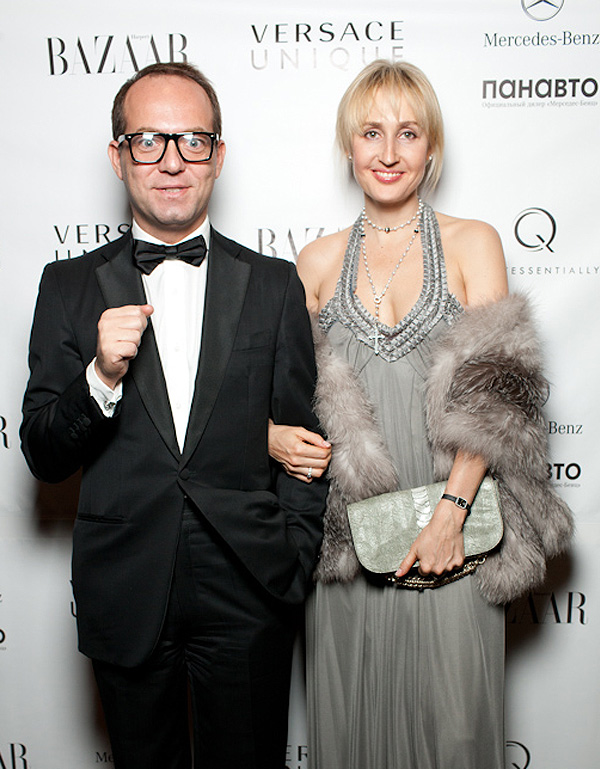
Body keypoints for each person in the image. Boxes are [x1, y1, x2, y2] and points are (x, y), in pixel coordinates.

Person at [20, 61, 327, 769]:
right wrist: (100, 376)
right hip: (126, 585)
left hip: (250, 583)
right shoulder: (67, 286)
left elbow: (304, 437)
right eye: (148, 140)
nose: (170, 161)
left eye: (192, 140)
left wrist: (294, 555)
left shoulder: (274, 283)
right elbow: (43, 452)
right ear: (118, 155)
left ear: (217, 155)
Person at [268, 60, 573, 769]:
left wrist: (450, 515)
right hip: (347, 542)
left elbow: (499, 395)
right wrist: (273, 435)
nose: (388, 152)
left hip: (455, 530)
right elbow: (272, 396)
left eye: (408, 133)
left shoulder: (473, 241)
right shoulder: (313, 262)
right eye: (371, 132)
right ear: (349, 145)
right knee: (351, 732)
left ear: (431, 146)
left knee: (455, 734)